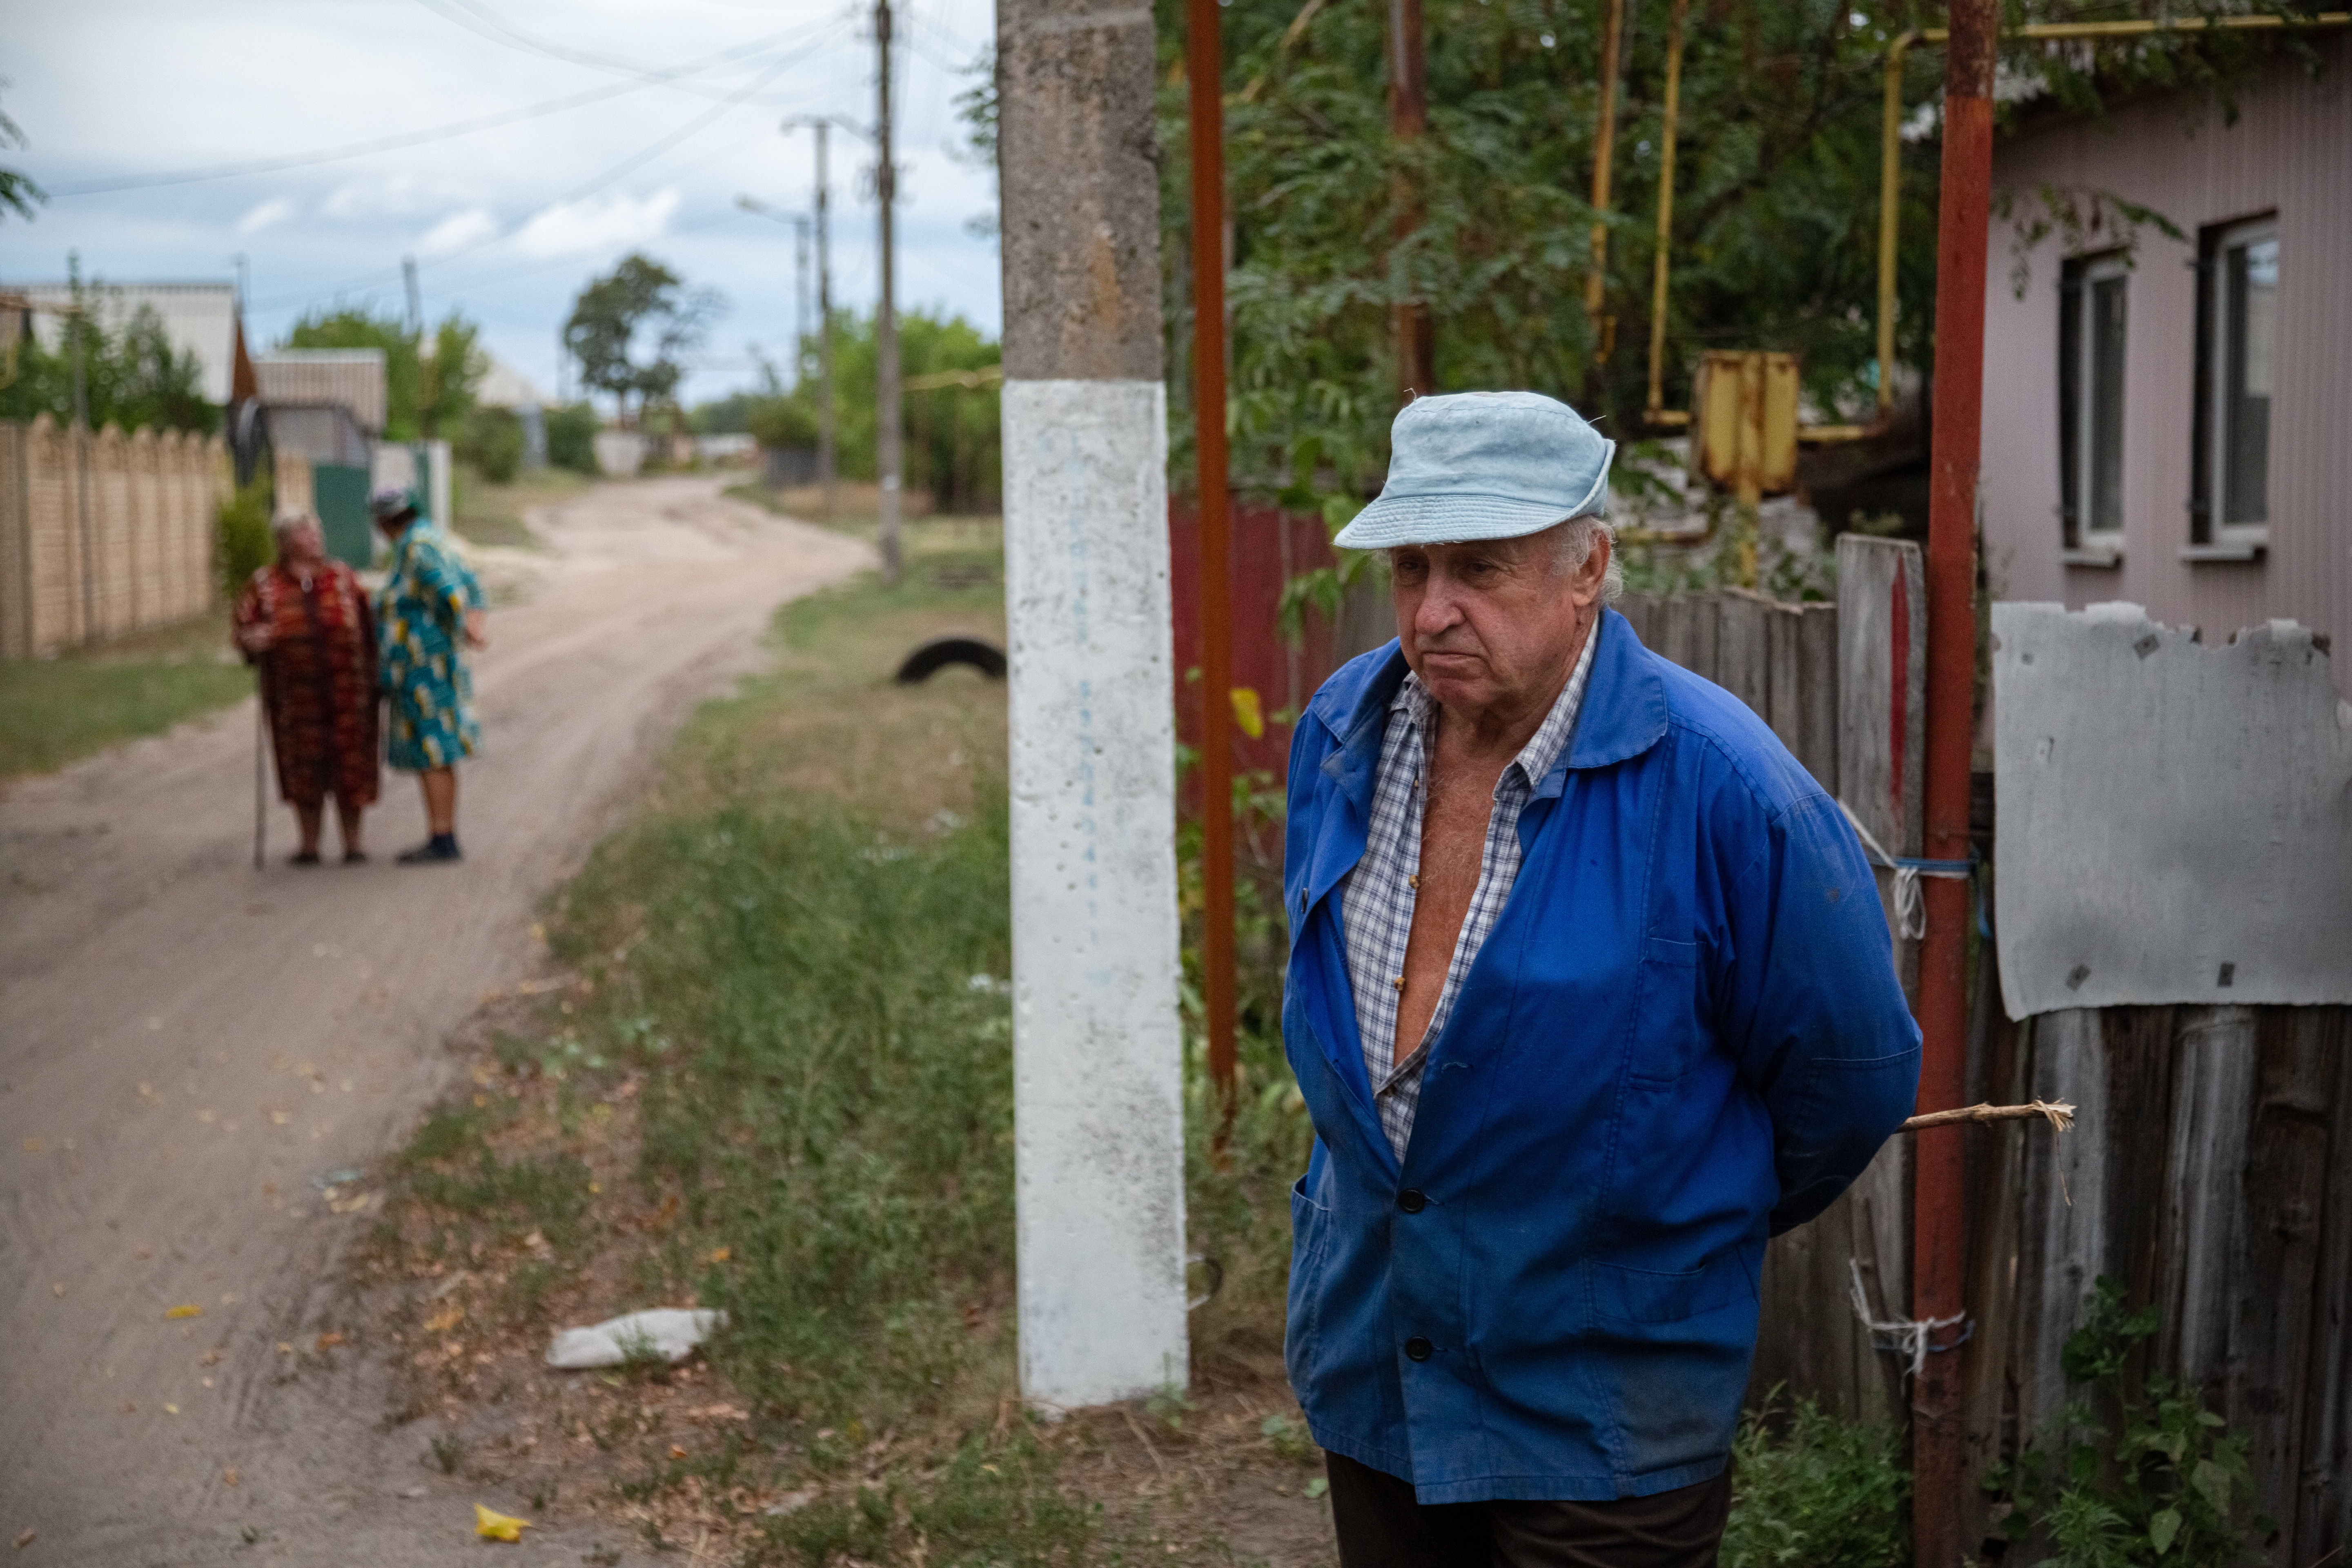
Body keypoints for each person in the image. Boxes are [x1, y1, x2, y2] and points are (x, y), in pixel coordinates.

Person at [1280, 391, 1920, 1568]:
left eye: (1479, 566)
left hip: (1602, 1405)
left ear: (1589, 570)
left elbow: (1854, 1078)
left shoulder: (1726, 788)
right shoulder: (1343, 732)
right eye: (1413, 565)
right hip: (1379, 1363)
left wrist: (1661, 1219)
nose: (1432, 610)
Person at [233, 511, 381, 864]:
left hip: (350, 695)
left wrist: (379, 677)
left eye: (317, 531)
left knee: (352, 767)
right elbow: (244, 630)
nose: (315, 539)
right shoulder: (265, 586)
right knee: (302, 767)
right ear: (285, 542)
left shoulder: (343, 579)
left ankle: (354, 845)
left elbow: (370, 626)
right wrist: (252, 641)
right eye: (305, 533)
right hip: (294, 701)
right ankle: (309, 846)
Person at [370, 485, 486, 864]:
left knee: (433, 751)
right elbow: (472, 584)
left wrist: (466, 624)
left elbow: (453, 592)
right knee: (437, 751)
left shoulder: (417, 549)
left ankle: (443, 838)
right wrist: (471, 621)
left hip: (425, 672)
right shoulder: (435, 539)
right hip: (432, 667)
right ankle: (442, 835)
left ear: (385, 523)